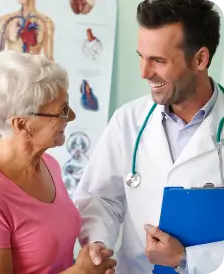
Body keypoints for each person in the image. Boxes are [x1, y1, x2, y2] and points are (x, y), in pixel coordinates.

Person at [73, 0, 224, 273]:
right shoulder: (127, 121)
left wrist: (187, 259)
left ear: (200, 59)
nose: (144, 72)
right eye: (141, 56)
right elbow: (99, 199)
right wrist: (98, 244)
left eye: (158, 60)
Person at [0, 50, 116, 274]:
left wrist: (92, 256)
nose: (72, 117)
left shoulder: (49, 164)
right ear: (21, 125)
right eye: (62, 111)